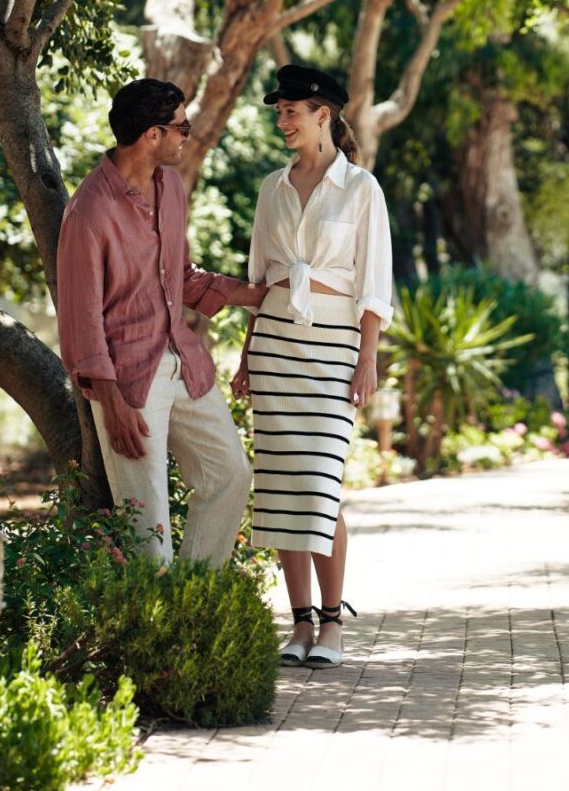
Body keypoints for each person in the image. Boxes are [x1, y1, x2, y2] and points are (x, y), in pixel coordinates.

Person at [56, 78, 266, 565]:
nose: (186, 136)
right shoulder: (88, 212)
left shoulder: (171, 187)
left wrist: (250, 294)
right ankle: (160, 630)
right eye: (181, 127)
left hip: (183, 361)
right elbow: (80, 318)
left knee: (229, 474)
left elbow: (183, 277)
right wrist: (112, 402)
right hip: (128, 379)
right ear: (152, 134)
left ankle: (194, 605)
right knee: (146, 528)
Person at [231, 63, 393, 669]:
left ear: (323, 114)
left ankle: (332, 624)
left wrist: (367, 359)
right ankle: (297, 624)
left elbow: (375, 284)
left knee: (320, 487)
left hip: (334, 346)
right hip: (274, 343)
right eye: (278, 112)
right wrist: (247, 355)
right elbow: (257, 280)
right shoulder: (272, 188)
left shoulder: (361, 189)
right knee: (278, 487)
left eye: (291, 112)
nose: (282, 122)